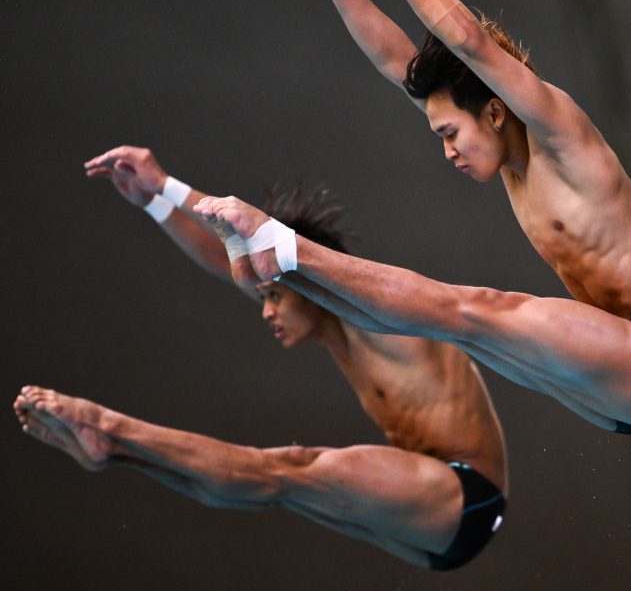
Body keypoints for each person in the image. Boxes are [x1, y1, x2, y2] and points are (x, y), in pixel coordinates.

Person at [237, 0, 631, 435]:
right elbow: (399, 65)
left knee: (470, 308)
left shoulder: (561, 137)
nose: (448, 152)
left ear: (497, 110)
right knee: (449, 325)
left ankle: (290, 249)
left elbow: (471, 42)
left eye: (450, 135)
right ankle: (289, 266)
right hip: (609, 386)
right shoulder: (506, 156)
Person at [14, 146, 508, 571]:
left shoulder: (377, 323)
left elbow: (268, 253)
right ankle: (115, 451)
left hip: (466, 496)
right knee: (274, 486)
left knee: (287, 467)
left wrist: (169, 183)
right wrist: (156, 201)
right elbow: (232, 261)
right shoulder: (328, 318)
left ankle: (108, 425)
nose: (266, 311)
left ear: (305, 284)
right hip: (421, 519)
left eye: (275, 297)